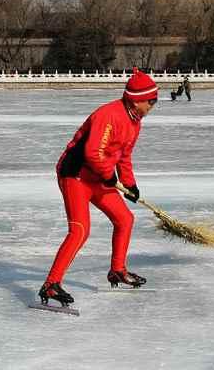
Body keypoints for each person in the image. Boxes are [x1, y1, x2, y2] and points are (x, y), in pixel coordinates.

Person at [38, 67, 158, 307]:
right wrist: (109, 176)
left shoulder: (135, 121)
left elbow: (124, 155)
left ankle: (117, 270)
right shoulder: (109, 115)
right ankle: (51, 285)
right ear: (136, 101)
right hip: (76, 176)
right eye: (150, 101)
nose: (152, 106)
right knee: (80, 230)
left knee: (125, 219)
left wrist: (130, 184)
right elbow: (93, 153)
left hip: (98, 178)